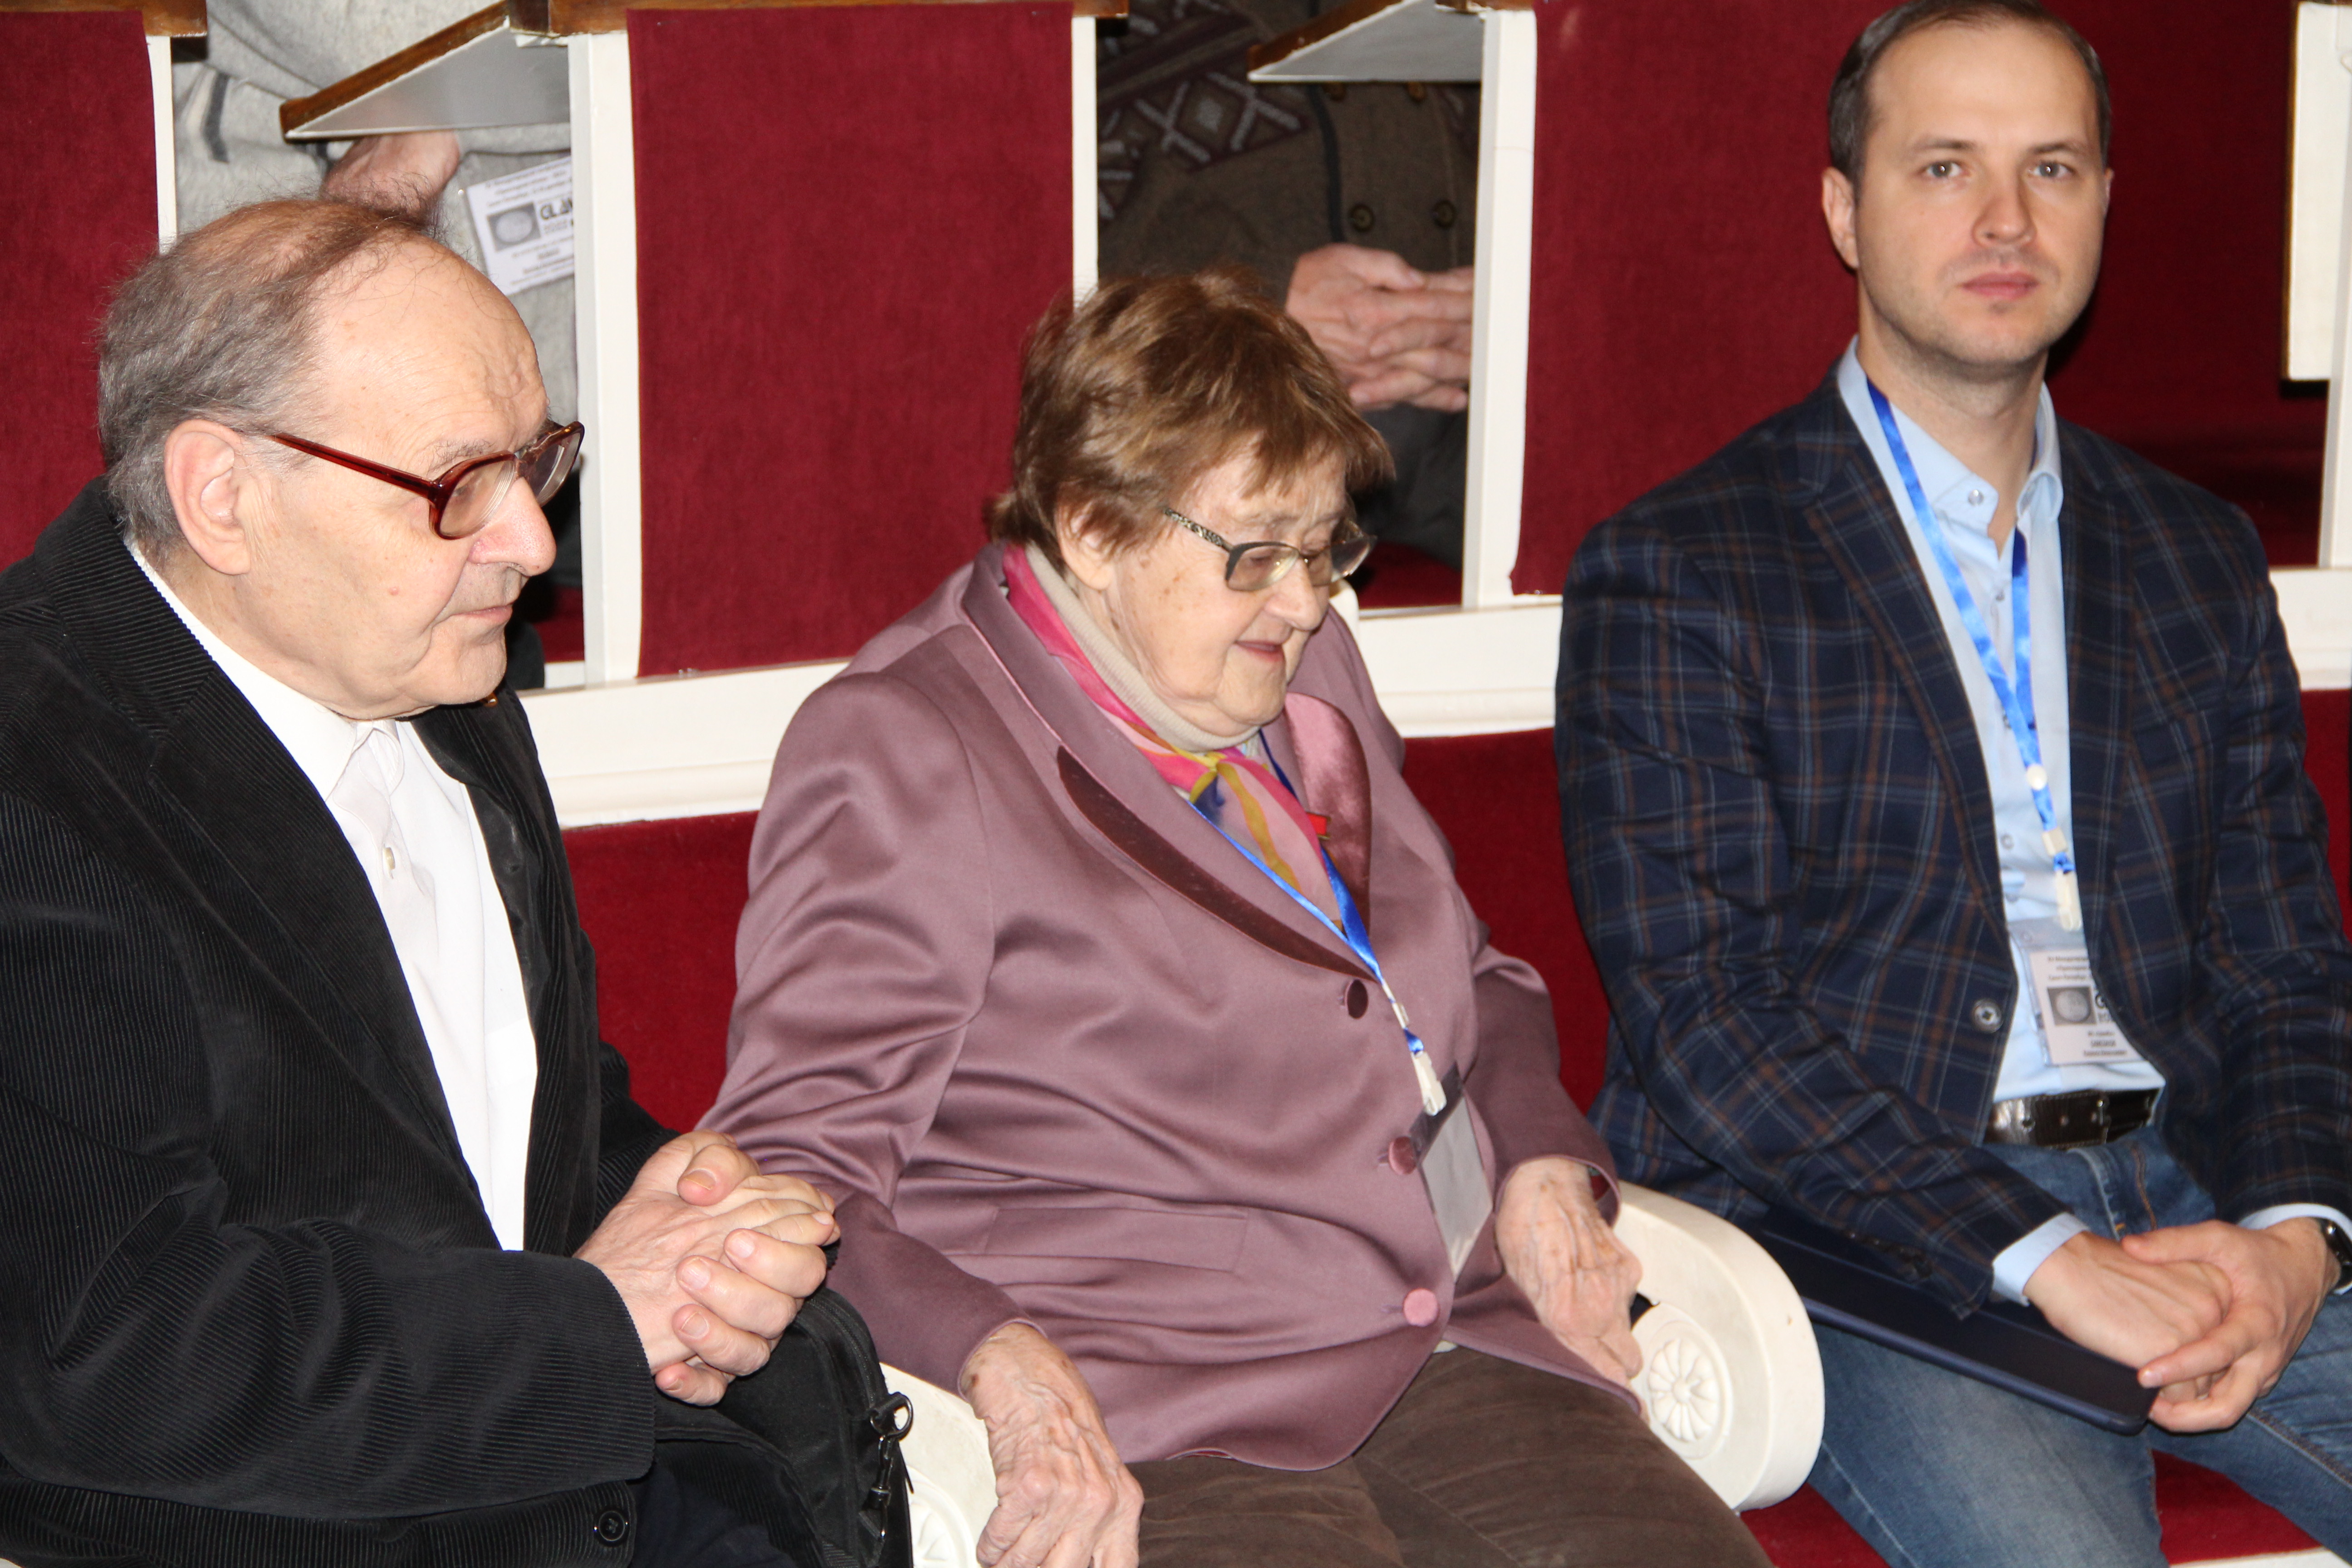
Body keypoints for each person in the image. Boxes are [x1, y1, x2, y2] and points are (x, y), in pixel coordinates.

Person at [706, 269, 1772, 1568]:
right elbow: (792, 1171)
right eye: (1255, 554)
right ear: (1093, 530)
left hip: (1448, 1343)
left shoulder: (1301, 668)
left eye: (1325, 547)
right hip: (1151, 1405)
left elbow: (1470, 978)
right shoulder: (910, 748)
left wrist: (1540, 1161)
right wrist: (998, 1355)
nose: (1307, 600)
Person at [1555, 4, 2352, 1565]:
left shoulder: (2193, 554)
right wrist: (2044, 1251)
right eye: (1943, 167)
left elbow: (2285, 966)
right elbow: (1708, 1018)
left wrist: (2296, 1239)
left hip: (2193, 1183)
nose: (2004, 220)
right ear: (1844, 210)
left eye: (2051, 167)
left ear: (2103, 202)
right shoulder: (1682, 566)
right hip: (1863, 1230)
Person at [0, 199, 846, 1567]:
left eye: (536, 460)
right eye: (460, 484)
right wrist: (595, 1324)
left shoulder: (440, 674)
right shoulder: (35, 776)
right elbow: (108, 1344)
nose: (531, 542)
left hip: (575, 1500)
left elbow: (488, 1121)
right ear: (225, 496)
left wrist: (675, 1209)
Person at [1099, 0, 1476, 567]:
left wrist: (1512, 290)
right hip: (1203, 413)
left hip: (1474, 413)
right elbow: (1019, 163)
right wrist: (1254, 299)